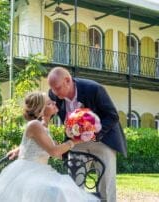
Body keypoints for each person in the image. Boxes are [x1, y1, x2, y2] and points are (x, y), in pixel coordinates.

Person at [0, 92, 99, 202]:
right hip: (29, 172)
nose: (54, 102)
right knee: (60, 191)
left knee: (64, 191)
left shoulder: (43, 126)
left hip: (40, 170)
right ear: (40, 110)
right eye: (49, 103)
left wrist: (76, 130)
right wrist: (75, 141)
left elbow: (53, 151)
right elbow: (54, 151)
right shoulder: (35, 125)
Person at [47, 67, 127, 202]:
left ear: (67, 80)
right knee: (74, 183)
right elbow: (43, 115)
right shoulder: (54, 94)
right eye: (52, 89)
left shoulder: (94, 89)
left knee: (106, 184)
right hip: (76, 142)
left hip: (103, 140)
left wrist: (95, 134)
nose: (54, 92)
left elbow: (112, 116)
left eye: (57, 88)